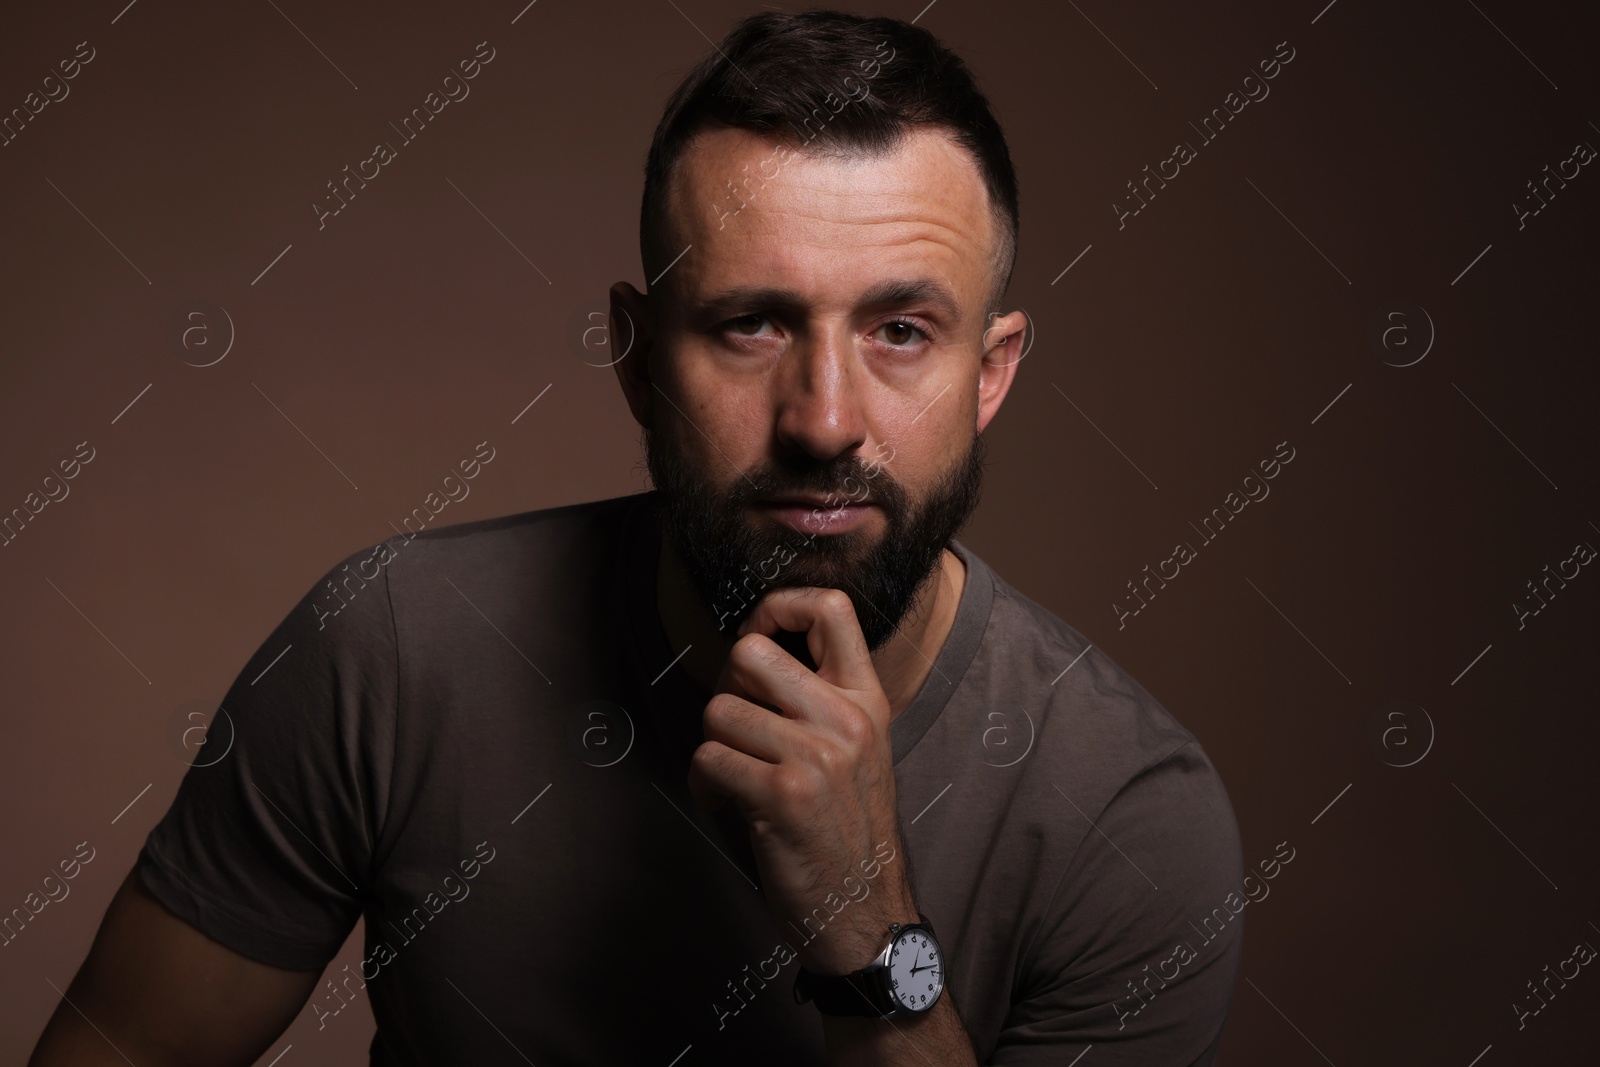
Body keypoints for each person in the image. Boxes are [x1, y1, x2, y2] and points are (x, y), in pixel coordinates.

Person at [30, 9, 1243, 1065]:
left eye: (903, 331)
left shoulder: (1127, 817)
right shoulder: (393, 651)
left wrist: (872, 936)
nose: (825, 419)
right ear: (636, 357)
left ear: (992, 373)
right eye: (752, 323)